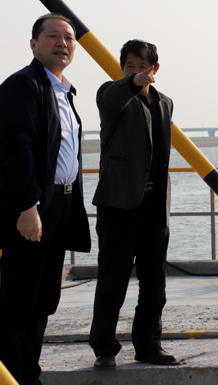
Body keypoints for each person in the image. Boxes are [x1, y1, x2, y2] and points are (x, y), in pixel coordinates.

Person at [0, 13, 91, 385]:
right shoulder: (21, 86)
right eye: (53, 35)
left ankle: (28, 375)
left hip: (60, 205)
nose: (62, 43)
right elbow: (16, 149)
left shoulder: (64, 91)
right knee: (19, 300)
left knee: (44, 299)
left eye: (69, 37)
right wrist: (28, 207)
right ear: (34, 44)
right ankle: (3, 377)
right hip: (31, 206)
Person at [88, 40, 178, 370]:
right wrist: (131, 83)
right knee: (113, 279)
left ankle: (149, 344)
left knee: (155, 282)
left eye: (143, 66)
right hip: (119, 204)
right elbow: (113, 96)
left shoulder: (165, 103)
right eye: (130, 66)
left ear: (155, 69)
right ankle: (104, 348)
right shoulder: (111, 94)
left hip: (155, 205)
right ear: (122, 68)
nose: (137, 72)